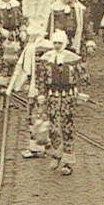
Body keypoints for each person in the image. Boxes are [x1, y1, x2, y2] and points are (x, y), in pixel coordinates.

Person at [35, 30, 88, 176]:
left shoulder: (73, 59)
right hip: (52, 96)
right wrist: (41, 94)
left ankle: (68, 160)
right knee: (53, 127)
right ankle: (56, 153)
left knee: (67, 127)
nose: (57, 45)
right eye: (55, 43)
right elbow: (40, 78)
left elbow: (82, 77)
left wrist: (81, 93)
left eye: (60, 43)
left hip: (68, 96)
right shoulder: (46, 58)